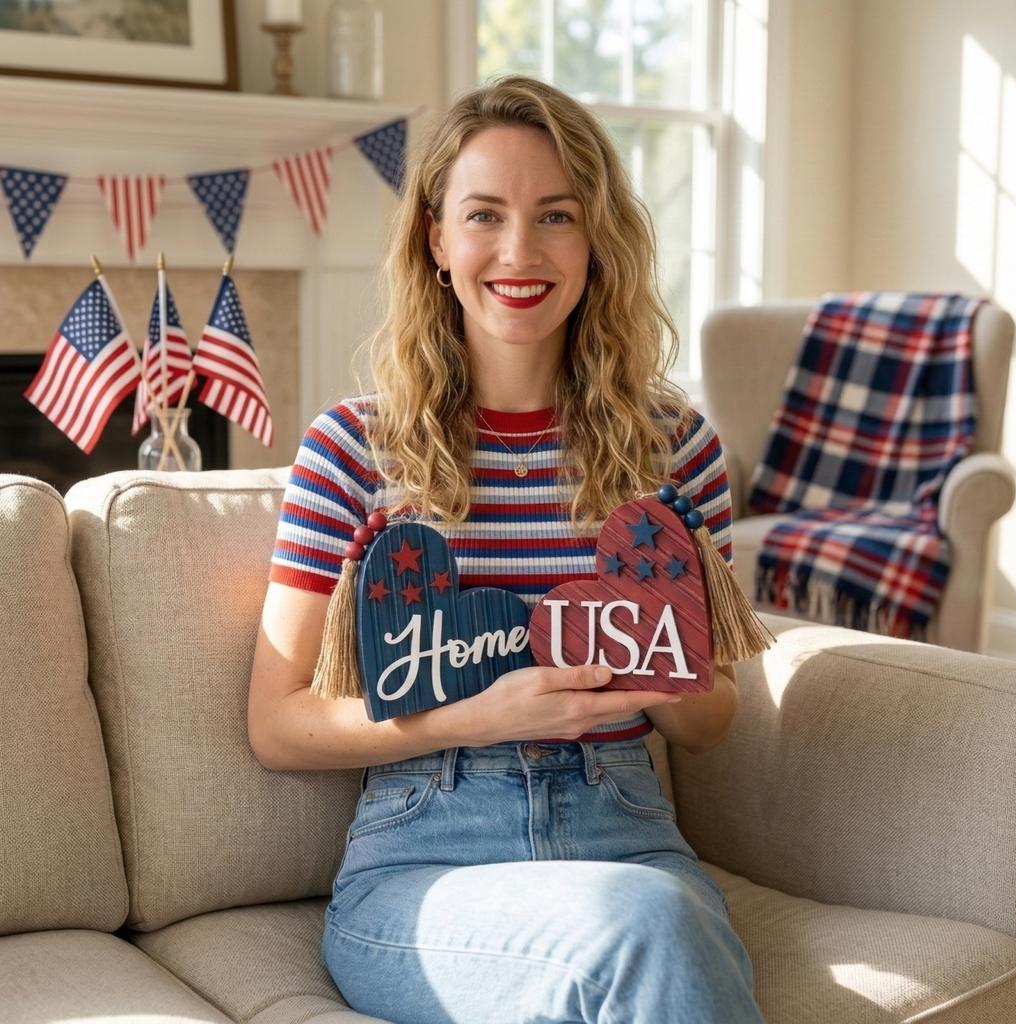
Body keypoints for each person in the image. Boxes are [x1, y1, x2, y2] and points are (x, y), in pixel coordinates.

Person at [248, 74, 764, 1024]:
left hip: (627, 833)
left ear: (597, 241)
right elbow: (277, 724)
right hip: (425, 859)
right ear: (437, 240)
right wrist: (477, 717)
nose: (520, 251)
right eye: (485, 214)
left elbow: (714, 718)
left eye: (557, 216)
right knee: (647, 932)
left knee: (652, 924)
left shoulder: (673, 448)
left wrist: (643, 667)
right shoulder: (353, 449)